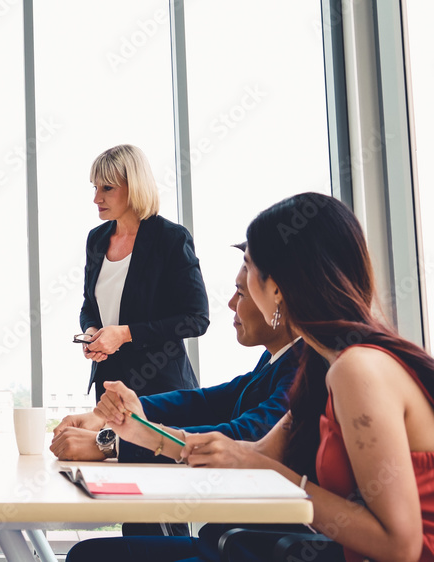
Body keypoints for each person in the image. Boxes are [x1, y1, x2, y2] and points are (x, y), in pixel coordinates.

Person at [73, 192, 434, 562]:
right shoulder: (321, 364)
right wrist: (140, 432)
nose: (235, 294)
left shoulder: (356, 370)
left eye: (247, 270)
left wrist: (287, 481)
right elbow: (254, 452)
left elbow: (399, 546)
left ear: (276, 288)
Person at [53, 245, 302, 537]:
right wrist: (106, 416)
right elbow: (205, 401)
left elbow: (244, 436)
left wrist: (108, 444)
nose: (231, 303)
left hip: (248, 547)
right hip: (231, 540)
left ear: (279, 301)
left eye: (242, 293)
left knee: (88, 556)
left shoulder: (303, 367)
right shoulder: (279, 358)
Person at [79, 144, 209, 401]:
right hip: (109, 388)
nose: (96, 198)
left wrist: (125, 334)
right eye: (95, 187)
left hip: (162, 391)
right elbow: (89, 305)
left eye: (107, 188)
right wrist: (92, 332)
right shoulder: (97, 239)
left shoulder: (170, 238)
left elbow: (196, 318)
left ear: (134, 187)